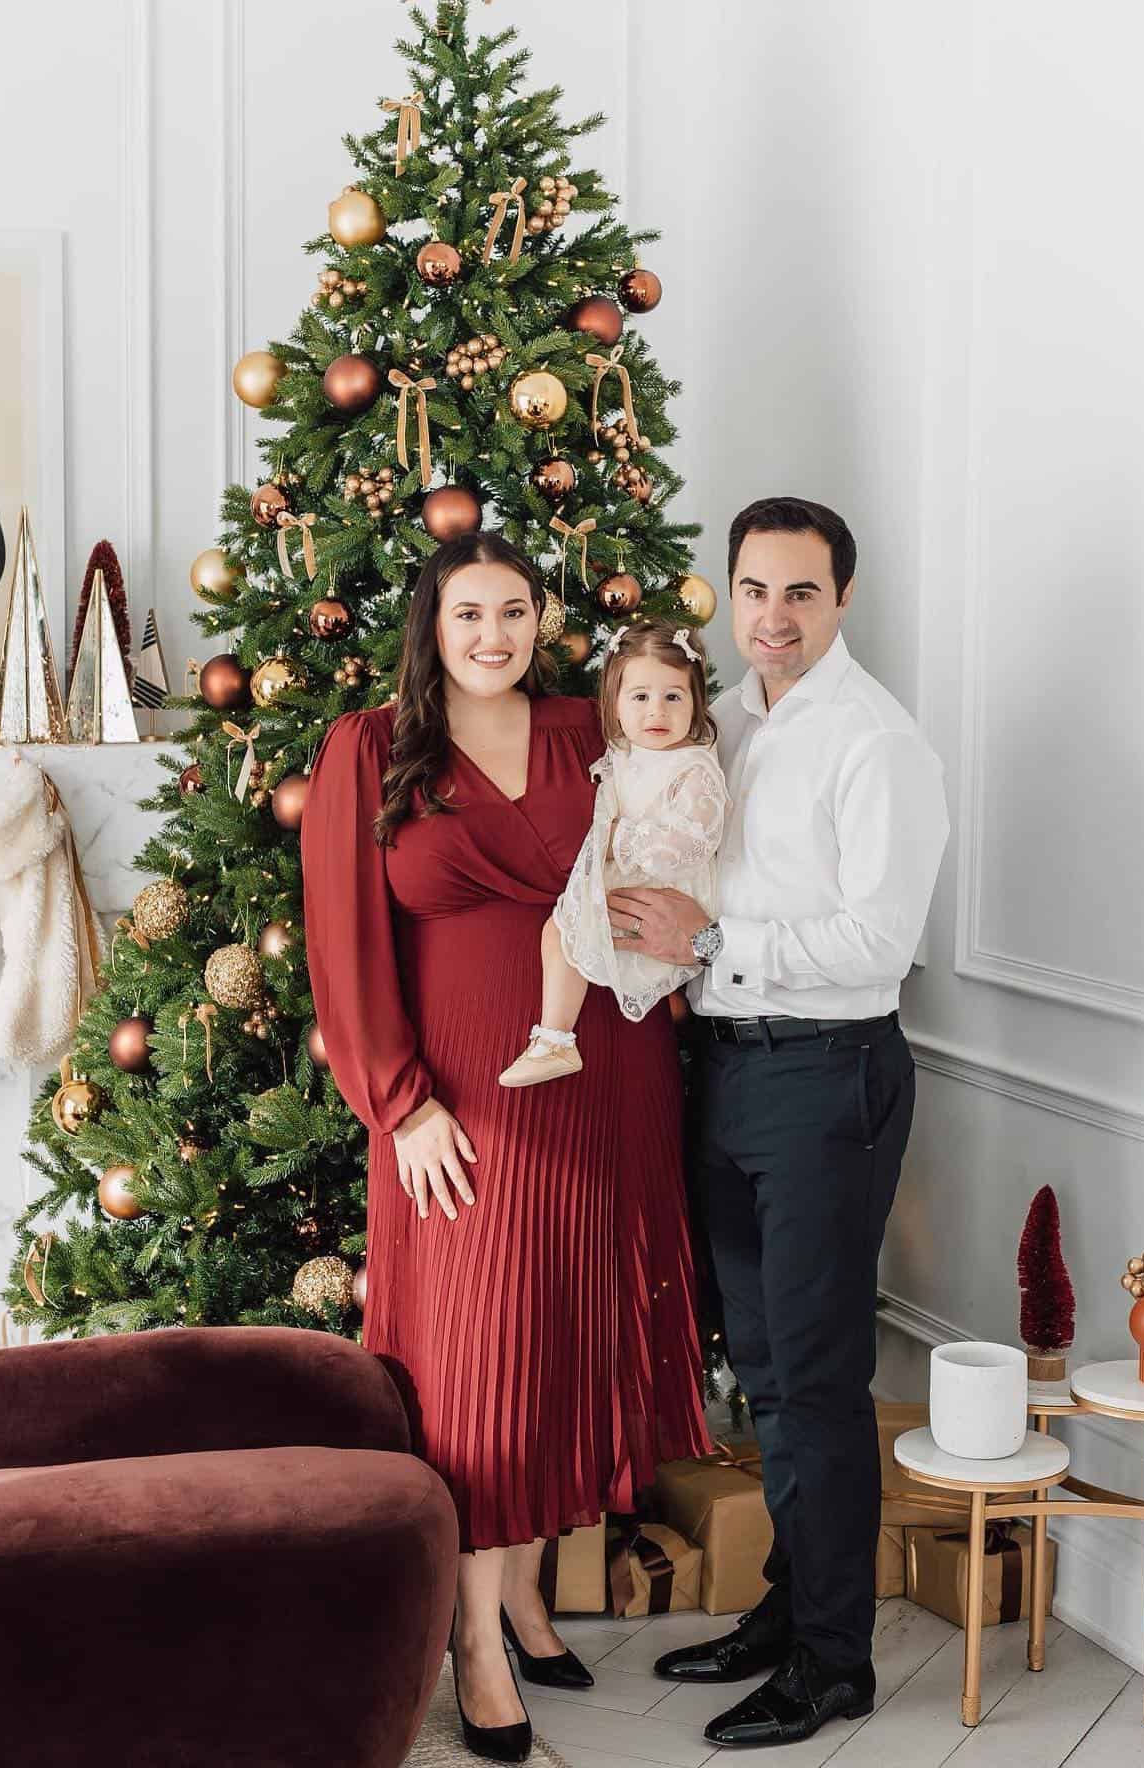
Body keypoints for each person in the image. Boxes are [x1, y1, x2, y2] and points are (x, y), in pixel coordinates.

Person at [301, 533, 710, 1764]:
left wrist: (699, 926)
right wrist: (401, 1101)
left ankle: (526, 1598)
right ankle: (474, 1642)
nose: (493, 635)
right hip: (460, 1107)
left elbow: (691, 827)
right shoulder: (369, 748)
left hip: (602, 1079)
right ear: (431, 624)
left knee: (561, 1346)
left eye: (515, 611)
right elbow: (342, 944)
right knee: (477, 1369)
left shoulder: (596, 726)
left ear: (543, 621)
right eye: (468, 612)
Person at [607, 497, 950, 1750]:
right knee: (762, 1372)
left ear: (843, 598)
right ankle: (786, 1604)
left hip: (828, 1075)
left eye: (800, 593)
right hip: (728, 1072)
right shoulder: (726, 723)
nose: (773, 616)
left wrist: (709, 943)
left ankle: (832, 1663)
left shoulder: (878, 743)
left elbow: (878, 943)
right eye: (754, 589)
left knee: (815, 1378)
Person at [499, 618, 727, 1087]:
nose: (656, 712)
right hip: (626, 878)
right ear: (616, 704)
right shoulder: (623, 755)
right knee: (557, 932)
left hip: (666, 893)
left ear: (695, 702)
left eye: (673, 696)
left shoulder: (694, 766)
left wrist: (618, 836)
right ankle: (556, 1039)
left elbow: (689, 843)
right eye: (640, 697)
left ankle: (556, 1037)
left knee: (566, 929)